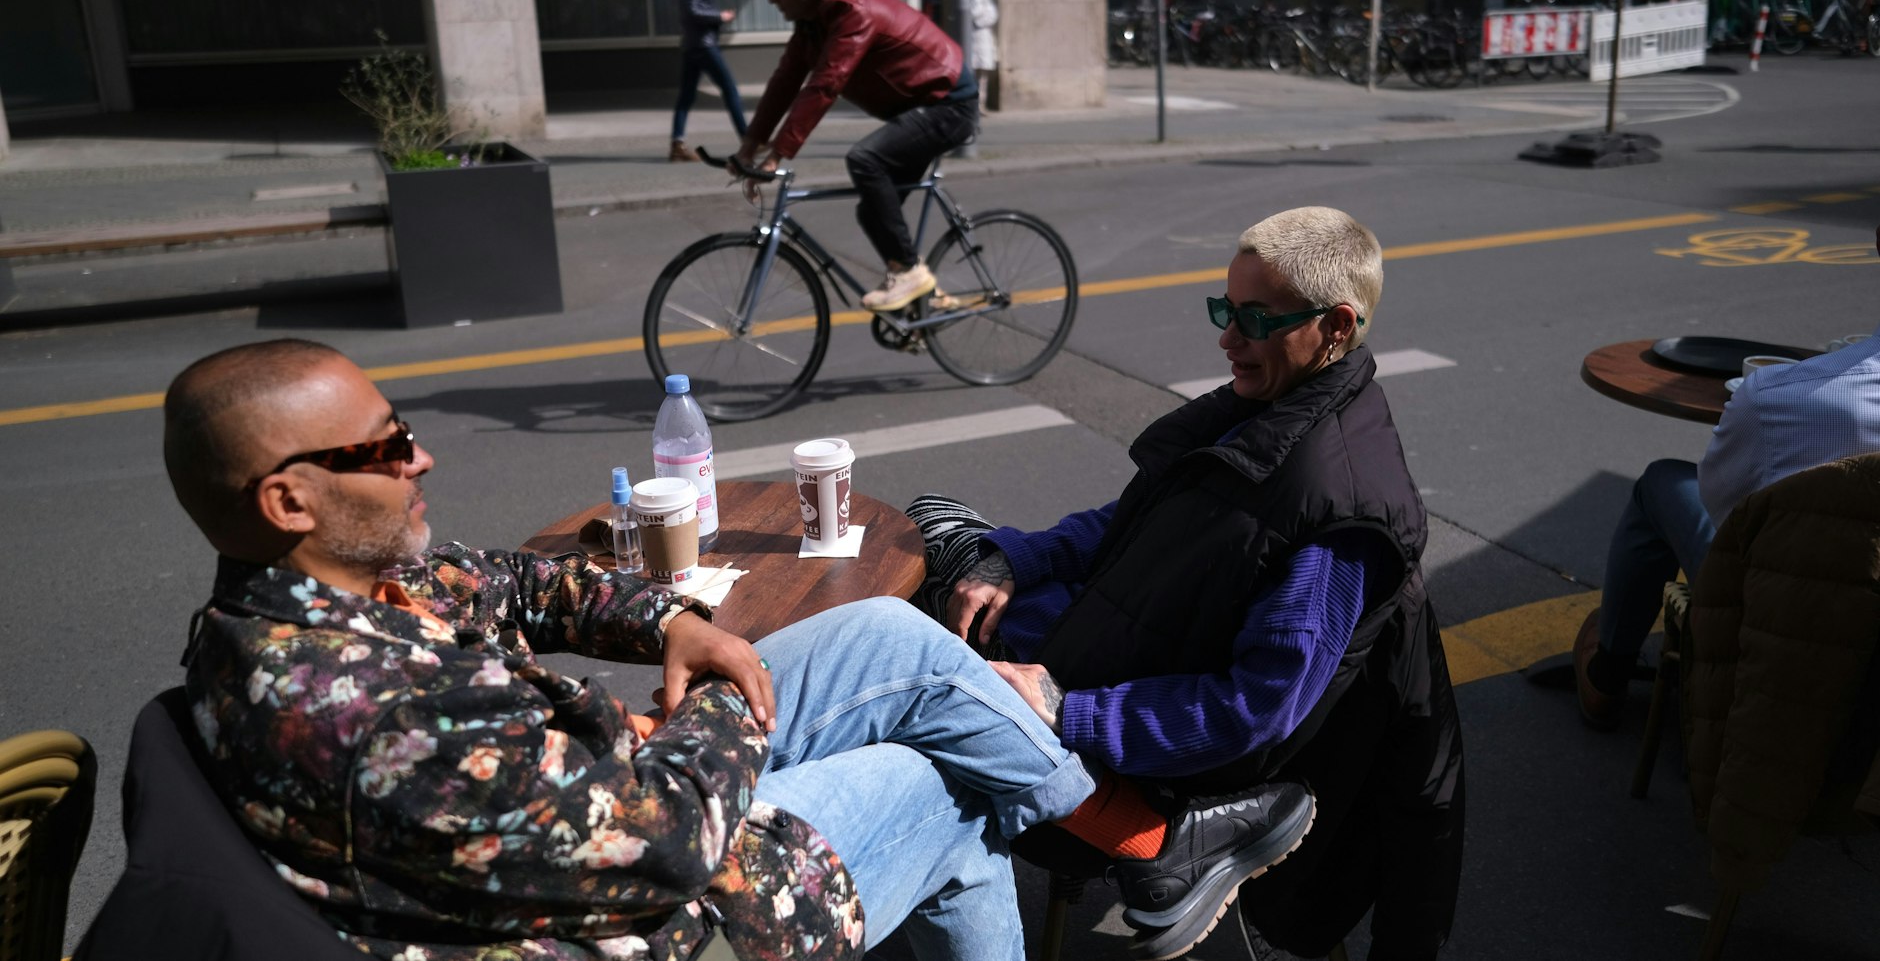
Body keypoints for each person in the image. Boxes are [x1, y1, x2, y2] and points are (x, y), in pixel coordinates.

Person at [139, 339, 1287, 961]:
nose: (420, 458)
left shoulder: (327, 591)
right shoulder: (360, 712)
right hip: (653, 918)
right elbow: (671, 843)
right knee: (944, 774)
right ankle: (1146, 840)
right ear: (292, 497)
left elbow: (526, 579)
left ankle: (1145, 847)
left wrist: (675, 624)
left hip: (602, 813)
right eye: (385, 446)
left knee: (895, 635)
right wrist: (705, 706)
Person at [910, 207, 1465, 961]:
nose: (1227, 338)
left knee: (904, 698)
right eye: (1224, 311)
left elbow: (1252, 710)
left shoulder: (1337, 508)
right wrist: (1017, 560)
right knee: (936, 542)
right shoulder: (1268, 410)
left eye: (1254, 320)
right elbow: (1134, 522)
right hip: (1096, 654)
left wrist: (1067, 711)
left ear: (1335, 327)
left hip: (1131, 753)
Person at [1573, 323, 1880, 729]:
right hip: (1868, 628)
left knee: (1661, 482)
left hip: (1774, 619)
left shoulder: (1776, 395)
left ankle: (1607, 674)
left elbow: (1720, 507)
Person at [736, 0, 979, 313]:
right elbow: (785, 81)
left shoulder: (853, 14)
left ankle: (911, 276)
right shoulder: (813, 22)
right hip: (915, 106)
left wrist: (777, 154)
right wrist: (750, 145)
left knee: (866, 160)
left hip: (948, 101)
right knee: (873, 210)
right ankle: (924, 298)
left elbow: (825, 84)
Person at [670, 0, 747, 163]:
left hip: (693, 45)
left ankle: (677, 145)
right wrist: (720, 16)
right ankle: (749, 141)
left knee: (686, 96)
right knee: (730, 89)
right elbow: (692, 11)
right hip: (704, 45)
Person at [968, 0, 998, 111]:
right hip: (971, 38)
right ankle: (972, 104)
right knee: (971, 72)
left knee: (983, 74)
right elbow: (970, 14)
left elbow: (992, 15)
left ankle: (981, 104)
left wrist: (978, 20)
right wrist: (978, 17)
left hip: (983, 37)